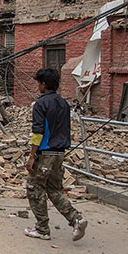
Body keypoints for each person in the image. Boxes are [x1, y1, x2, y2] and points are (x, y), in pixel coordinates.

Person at [24, 68, 88, 242]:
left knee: (34, 187)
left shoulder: (41, 104)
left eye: (39, 83)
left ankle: (42, 228)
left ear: (43, 84)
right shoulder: (63, 103)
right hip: (60, 153)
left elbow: (37, 132)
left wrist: (32, 155)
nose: (38, 86)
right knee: (54, 189)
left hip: (45, 153)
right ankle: (77, 219)